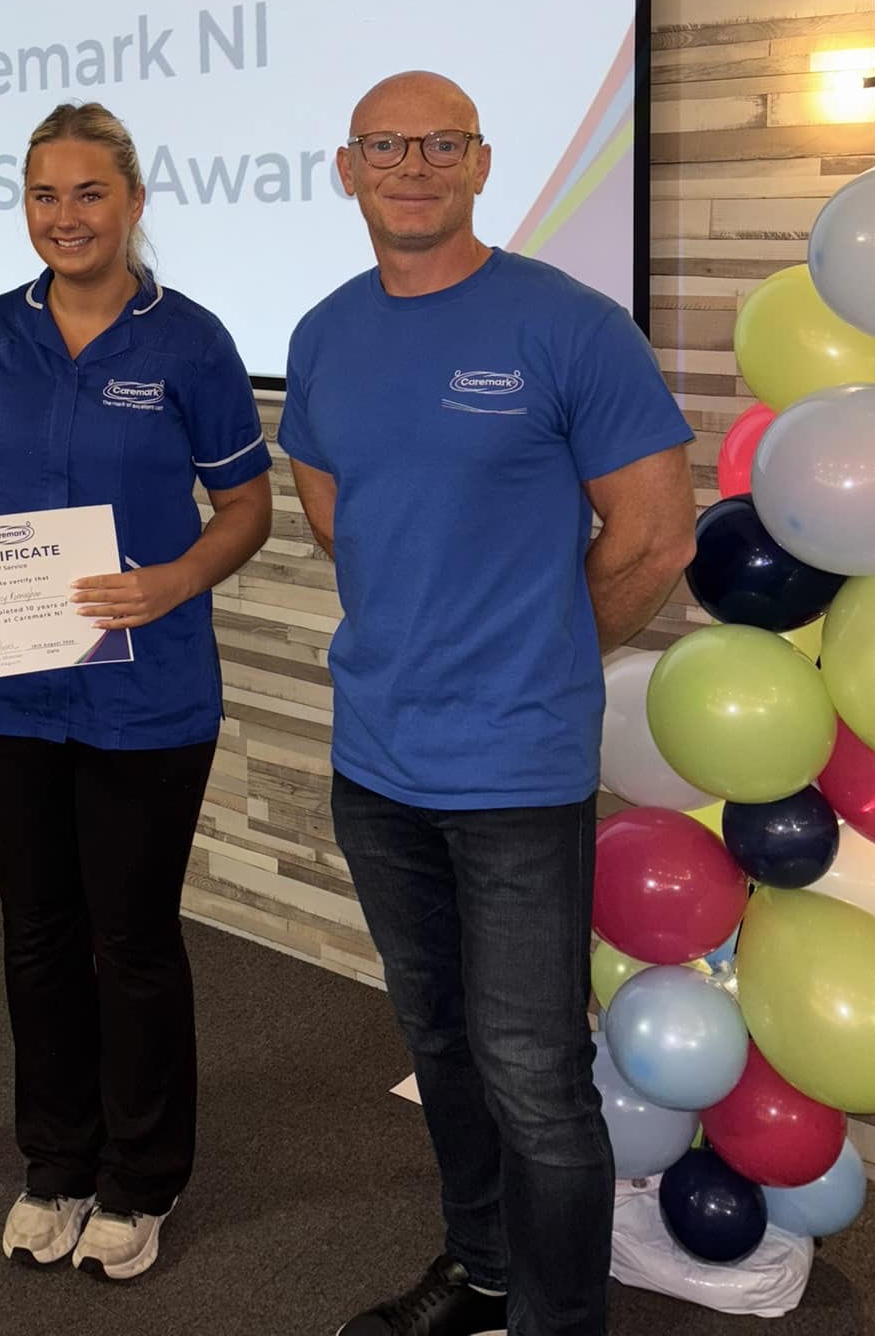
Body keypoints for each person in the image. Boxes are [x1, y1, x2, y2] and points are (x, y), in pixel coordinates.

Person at [279, 72, 695, 1336]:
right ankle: (483, 1270)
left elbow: (657, 536)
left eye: (441, 142)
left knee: (536, 1076)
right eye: (386, 144)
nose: (414, 163)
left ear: (482, 162)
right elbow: (336, 512)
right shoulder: (324, 332)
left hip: (515, 773)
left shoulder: (568, 326)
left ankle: (560, 1323)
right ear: (346, 168)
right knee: (442, 1049)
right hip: (379, 765)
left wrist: (539, 647)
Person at [0, 102, 273, 1282]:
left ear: (132, 200)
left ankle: (142, 1175)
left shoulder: (193, 340)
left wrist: (172, 578)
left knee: (129, 938)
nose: (64, 217)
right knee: (35, 933)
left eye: (87, 193)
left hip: (148, 695)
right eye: (42, 195)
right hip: (11, 694)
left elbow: (246, 508)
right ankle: (57, 1161)